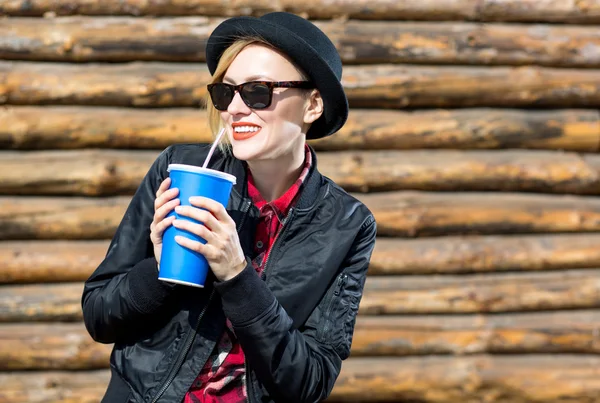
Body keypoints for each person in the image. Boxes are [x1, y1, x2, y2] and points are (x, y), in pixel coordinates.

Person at [82, 11, 377, 403]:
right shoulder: (176, 169)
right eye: (226, 92)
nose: (235, 109)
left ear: (312, 106)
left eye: (258, 91)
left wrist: (237, 275)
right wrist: (158, 268)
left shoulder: (347, 224)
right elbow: (99, 316)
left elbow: (310, 383)